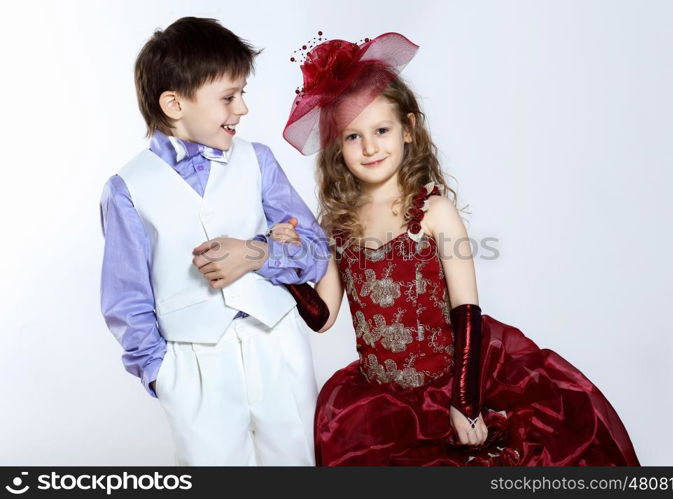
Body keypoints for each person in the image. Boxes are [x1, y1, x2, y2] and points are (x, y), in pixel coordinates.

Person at [269, 32, 640, 465]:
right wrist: (287, 268)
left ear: (407, 129)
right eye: (353, 137)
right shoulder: (339, 225)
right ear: (337, 147)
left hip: (452, 380)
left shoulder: (434, 210)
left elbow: (467, 311)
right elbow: (323, 316)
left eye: (381, 130)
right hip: (380, 397)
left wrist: (464, 402)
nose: (369, 147)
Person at [99, 17, 329, 465]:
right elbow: (126, 298)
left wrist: (257, 252)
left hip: (276, 345)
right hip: (193, 364)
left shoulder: (257, 161)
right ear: (174, 103)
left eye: (242, 94)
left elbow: (316, 250)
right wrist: (162, 374)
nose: (242, 108)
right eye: (229, 97)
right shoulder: (127, 188)